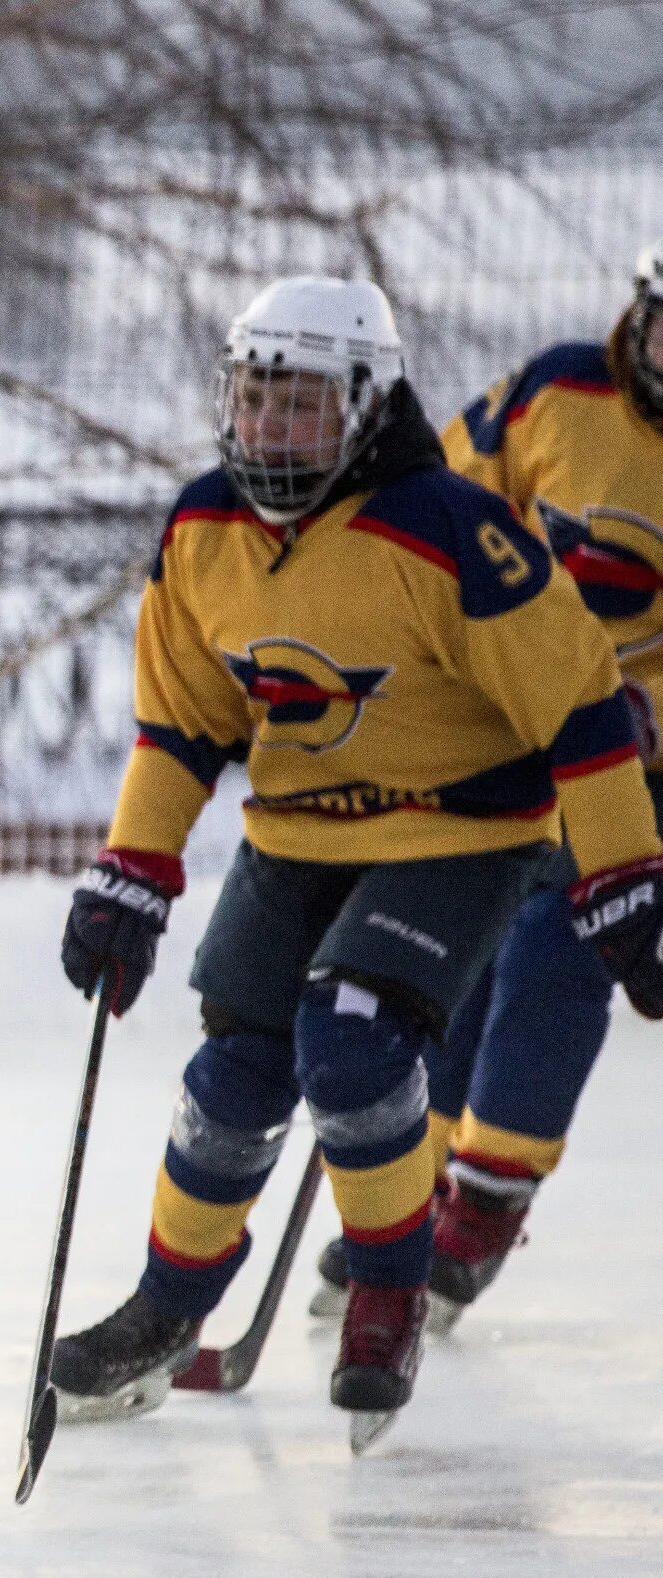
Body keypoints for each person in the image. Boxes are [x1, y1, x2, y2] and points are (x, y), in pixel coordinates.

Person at [51, 275, 663, 1447]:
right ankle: (168, 1307)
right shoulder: (201, 530)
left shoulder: (445, 531)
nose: (273, 430)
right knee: (232, 1075)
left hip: (464, 831)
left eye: (304, 406)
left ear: (369, 406)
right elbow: (181, 727)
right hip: (298, 837)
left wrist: (624, 873)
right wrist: (132, 869)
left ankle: (390, 1288)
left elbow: (580, 706)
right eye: (257, 401)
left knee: (355, 1032)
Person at [307, 241, 663, 1324]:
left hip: (626, 753)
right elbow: (446, 504)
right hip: (502, 712)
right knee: (464, 934)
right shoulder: (557, 389)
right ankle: (412, 1184)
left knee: (561, 941)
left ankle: (487, 1201)